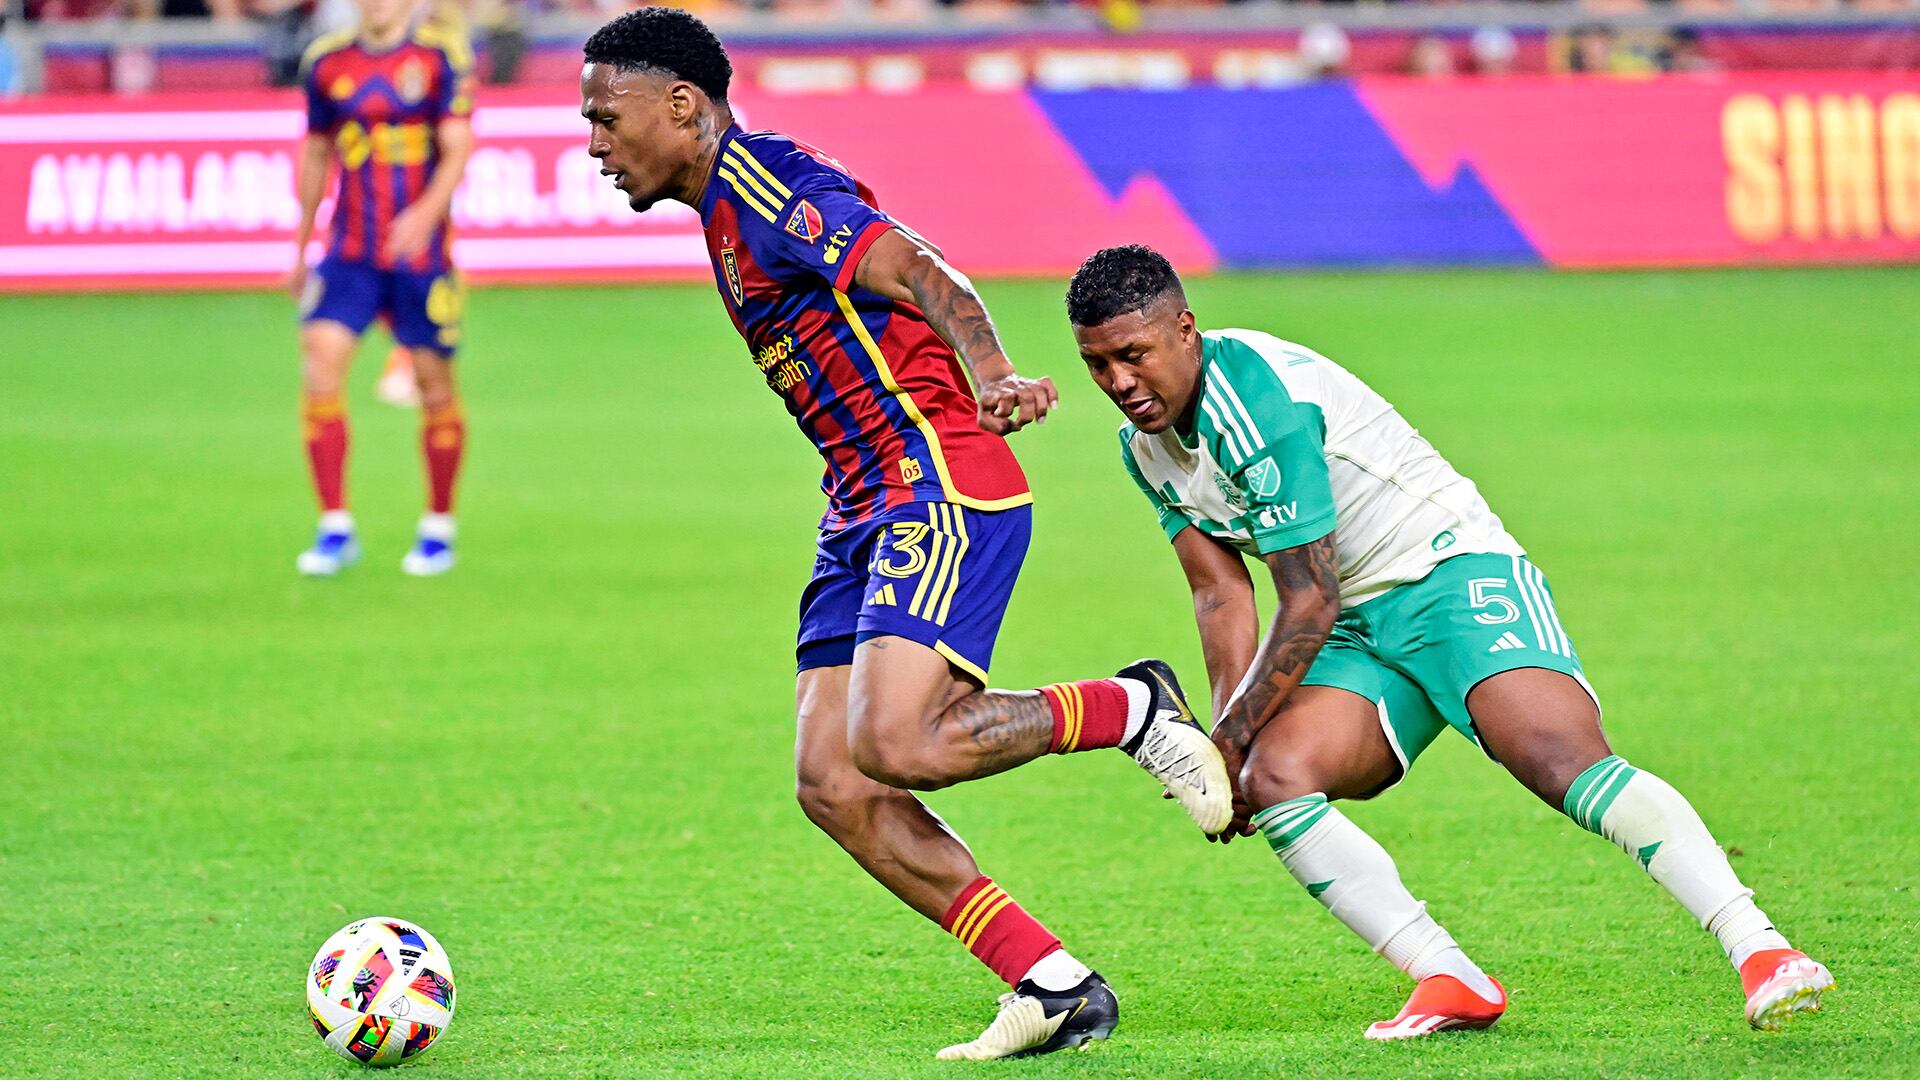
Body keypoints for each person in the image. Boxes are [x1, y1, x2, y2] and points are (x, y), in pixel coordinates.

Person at [578, 8, 1230, 1060]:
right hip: (859, 505)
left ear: (682, 106)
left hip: (935, 481)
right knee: (833, 782)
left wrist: (992, 376)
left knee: (894, 743)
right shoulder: (718, 211)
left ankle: (1129, 707)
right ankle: (1050, 985)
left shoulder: (764, 185)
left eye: (607, 120)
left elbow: (928, 274)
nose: (595, 146)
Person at [1067, 245, 1833, 1039]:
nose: (1120, 384)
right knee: (1275, 777)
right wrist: (1223, 758)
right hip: (1355, 620)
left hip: (1445, 572)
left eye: (1134, 355)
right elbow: (1219, 590)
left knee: (1556, 759)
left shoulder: (1254, 399)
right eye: (1097, 365)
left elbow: (1307, 596)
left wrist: (1221, 739)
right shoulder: (1144, 448)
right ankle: (1448, 977)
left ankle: (1762, 949)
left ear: (1185, 331)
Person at [292, 0, 475, 576]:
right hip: (349, 252)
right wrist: (300, 246)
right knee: (321, 363)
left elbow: (457, 148)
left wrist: (425, 213)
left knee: (433, 386)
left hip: (420, 257)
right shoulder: (326, 62)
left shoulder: (438, 57)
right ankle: (334, 527)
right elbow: (317, 150)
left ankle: (438, 527)